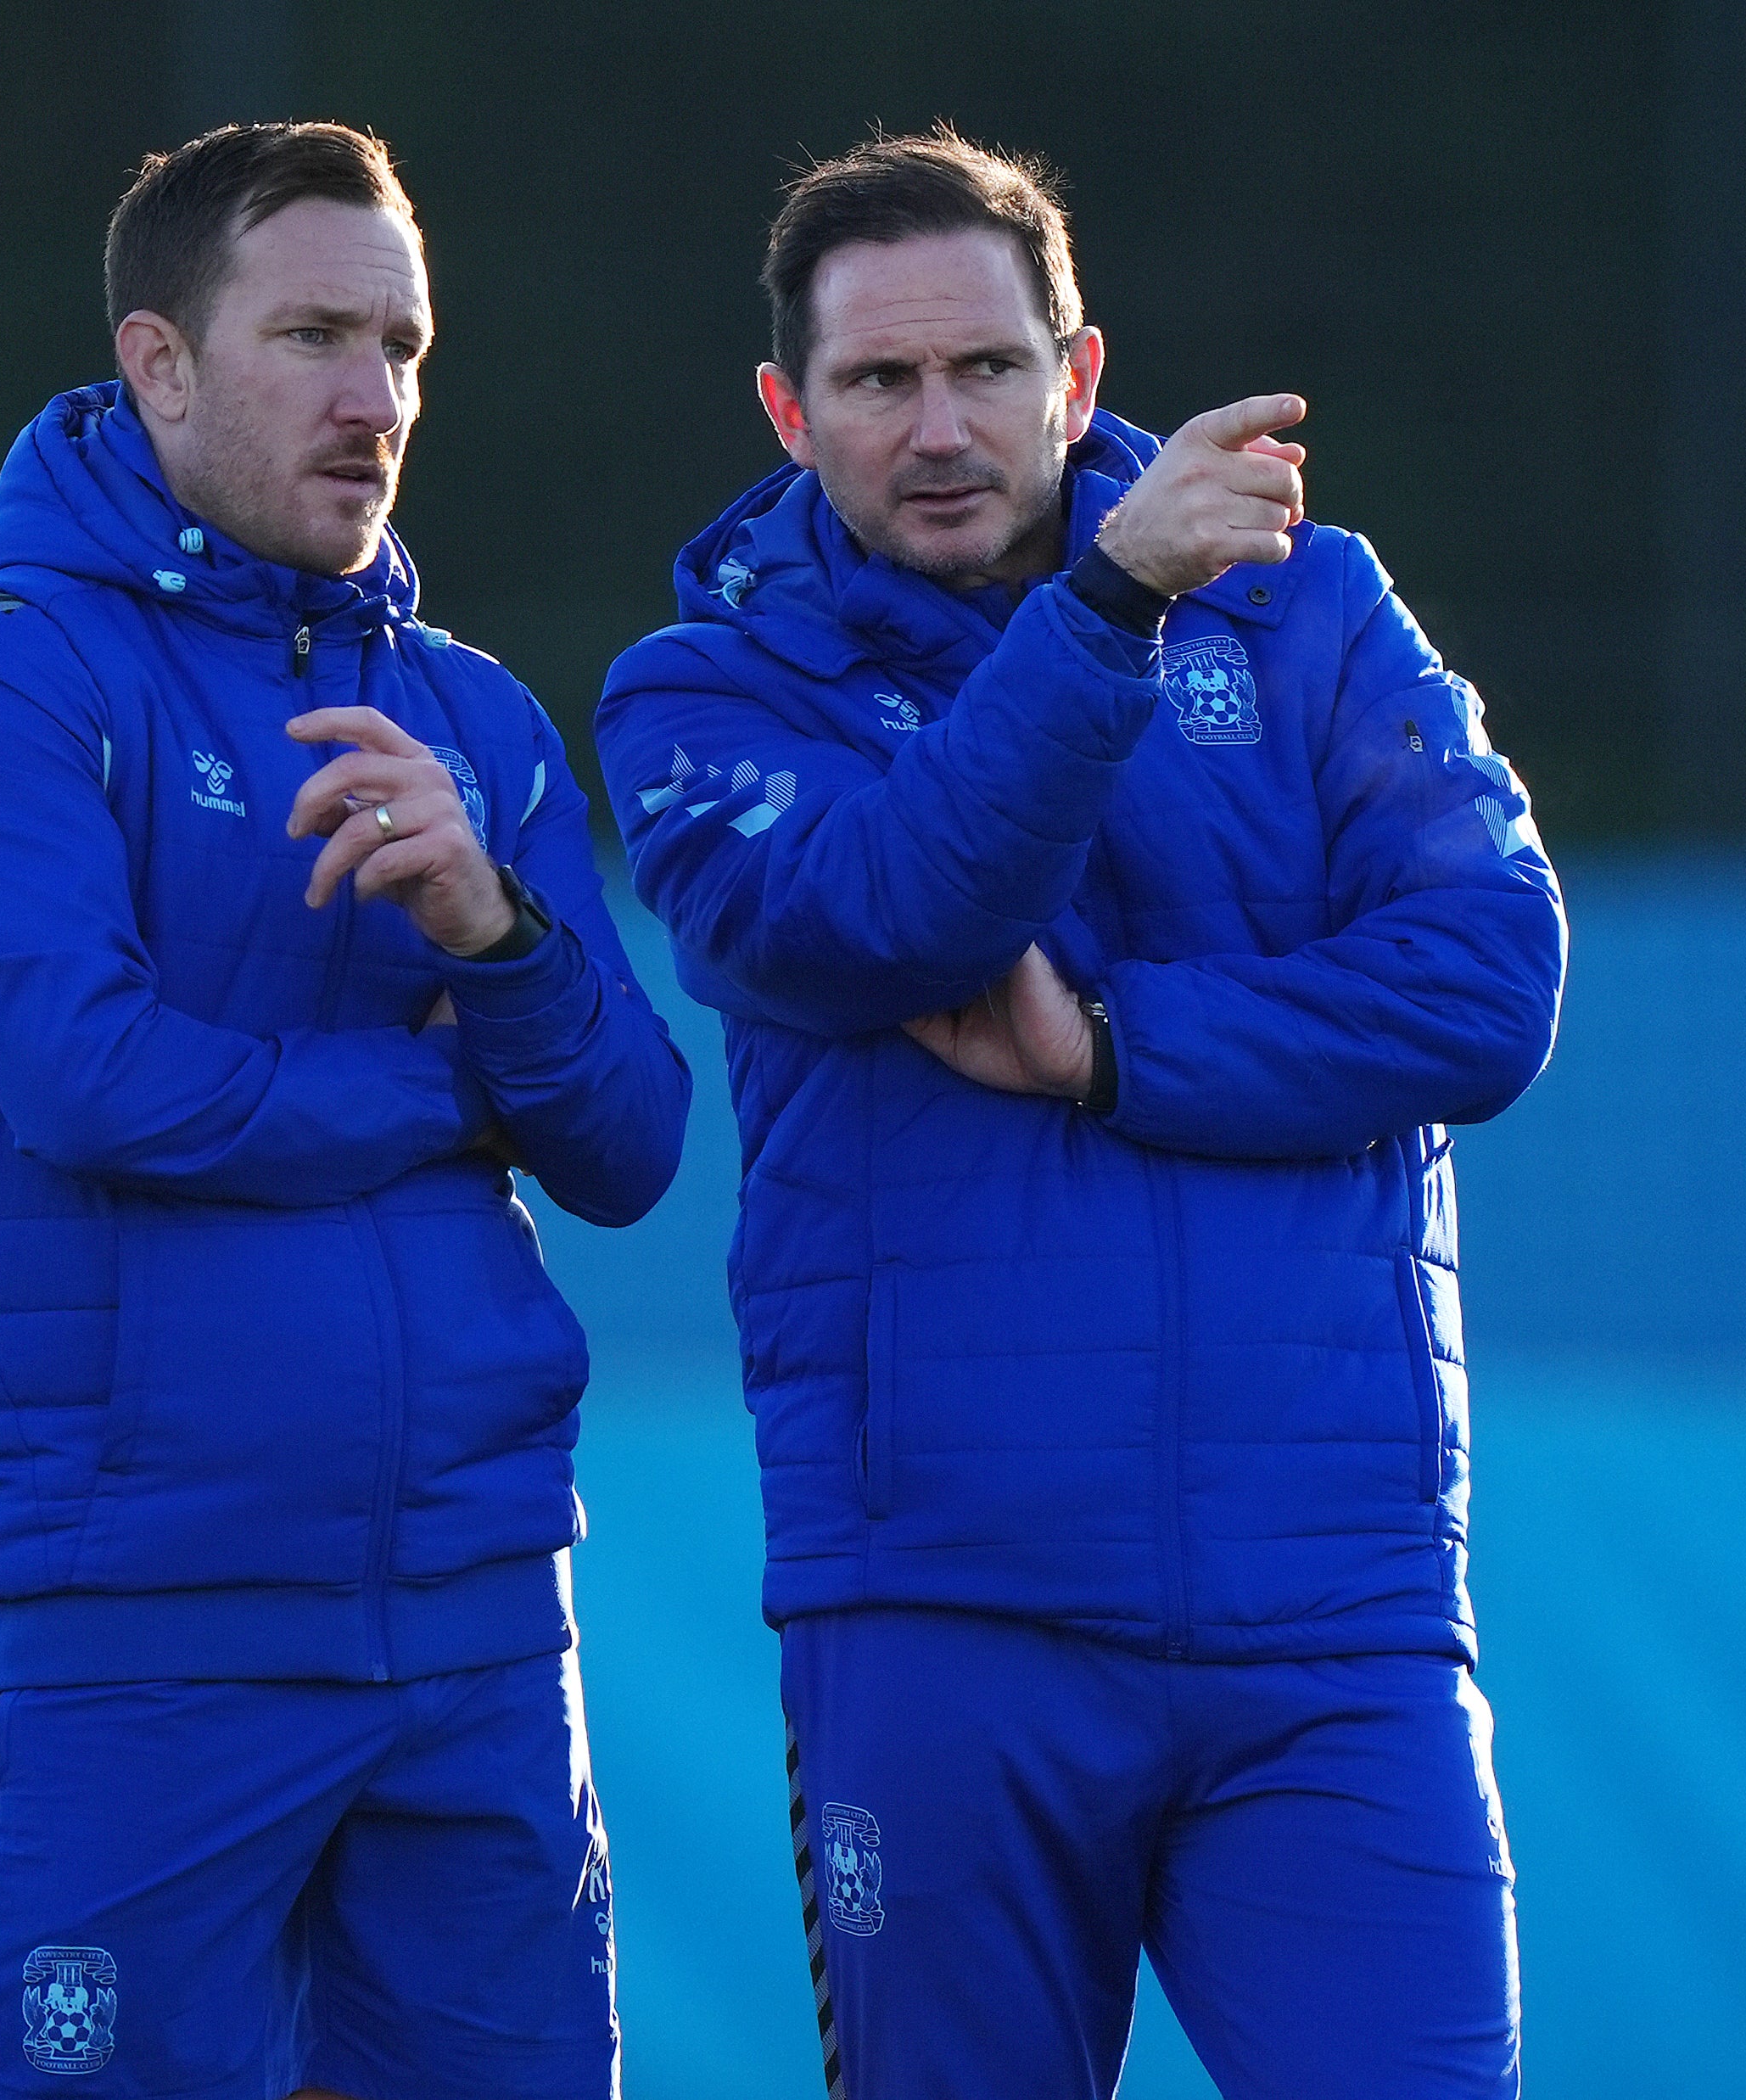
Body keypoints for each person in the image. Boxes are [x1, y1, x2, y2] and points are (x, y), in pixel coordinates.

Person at [594, 128, 1566, 2097]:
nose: (936, 424)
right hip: (944, 1615)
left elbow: (1489, 986)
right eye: (876, 381)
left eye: (983, 368)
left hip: (1330, 1624)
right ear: (790, 412)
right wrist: (1106, 609)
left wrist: (1111, 1048)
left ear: (1080, 375)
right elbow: (882, 912)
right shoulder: (699, 696)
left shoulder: (1309, 608)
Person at [0, 121, 687, 2100]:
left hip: (478, 1632)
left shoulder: (467, 714)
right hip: (142, 1632)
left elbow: (632, 1139)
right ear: (156, 363)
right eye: (311, 334)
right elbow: (88, 1078)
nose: (372, 398)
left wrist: (493, 925)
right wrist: (436, 1086)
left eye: (403, 345)